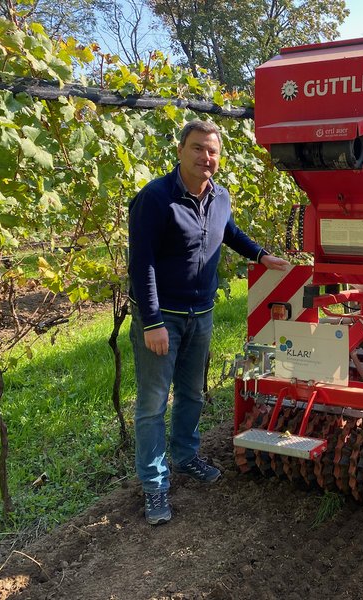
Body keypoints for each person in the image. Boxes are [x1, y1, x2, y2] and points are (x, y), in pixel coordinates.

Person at [128, 119, 290, 525]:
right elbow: (141, 263)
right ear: (180, 150)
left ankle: (184, 456)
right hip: (163, 317)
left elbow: (228, 232)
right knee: (152, 404)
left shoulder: (219, 196)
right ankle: (154, 485)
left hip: (201, 314)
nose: (206, 157)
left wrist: (260, 255)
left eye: (213, 151)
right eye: (198, 148)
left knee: (192, 395)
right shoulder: (155, 199)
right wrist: (151, 322)